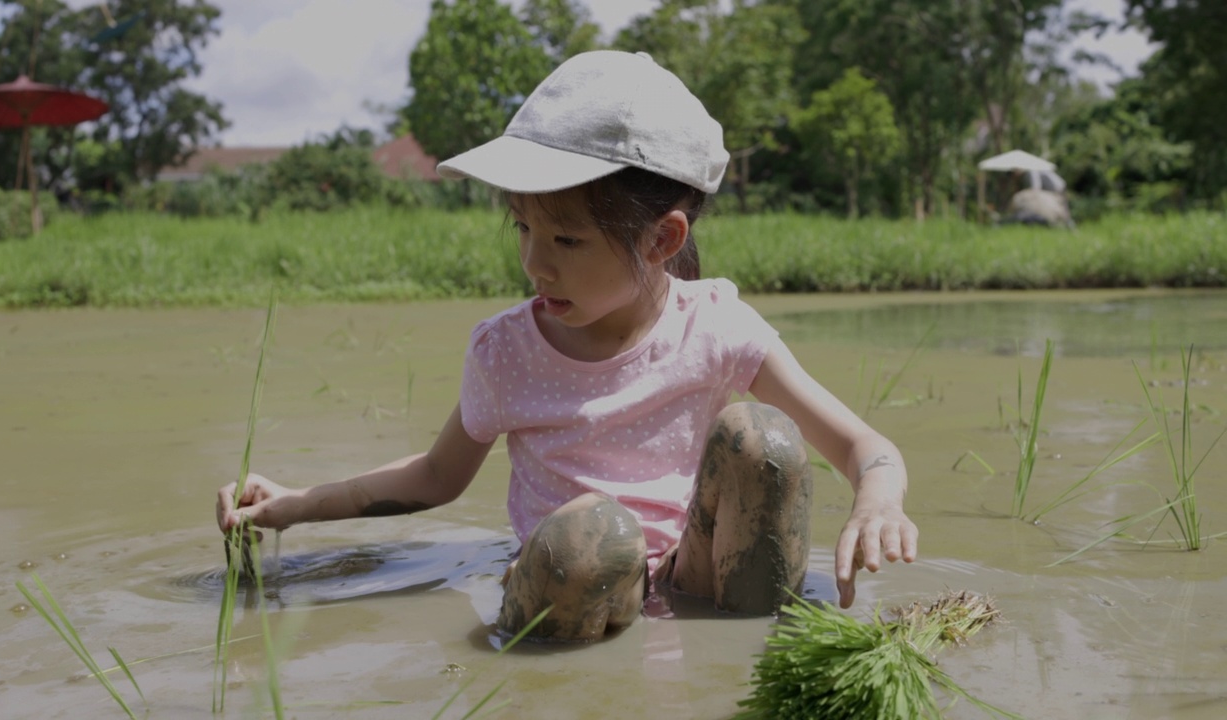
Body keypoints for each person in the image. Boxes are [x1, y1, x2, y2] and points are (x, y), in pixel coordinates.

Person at [216, 50, 917, 643]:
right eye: (522, 228)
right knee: (599, 534)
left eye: (567, 240)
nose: (534, 264)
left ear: (661, 239)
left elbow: (865, 446)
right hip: (568, 586)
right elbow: (436, 476)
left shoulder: (717, 328)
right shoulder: (506, 352)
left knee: (764, 439)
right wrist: (297, 502)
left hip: (694, 574)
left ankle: (748, 656)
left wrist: (878, 500)